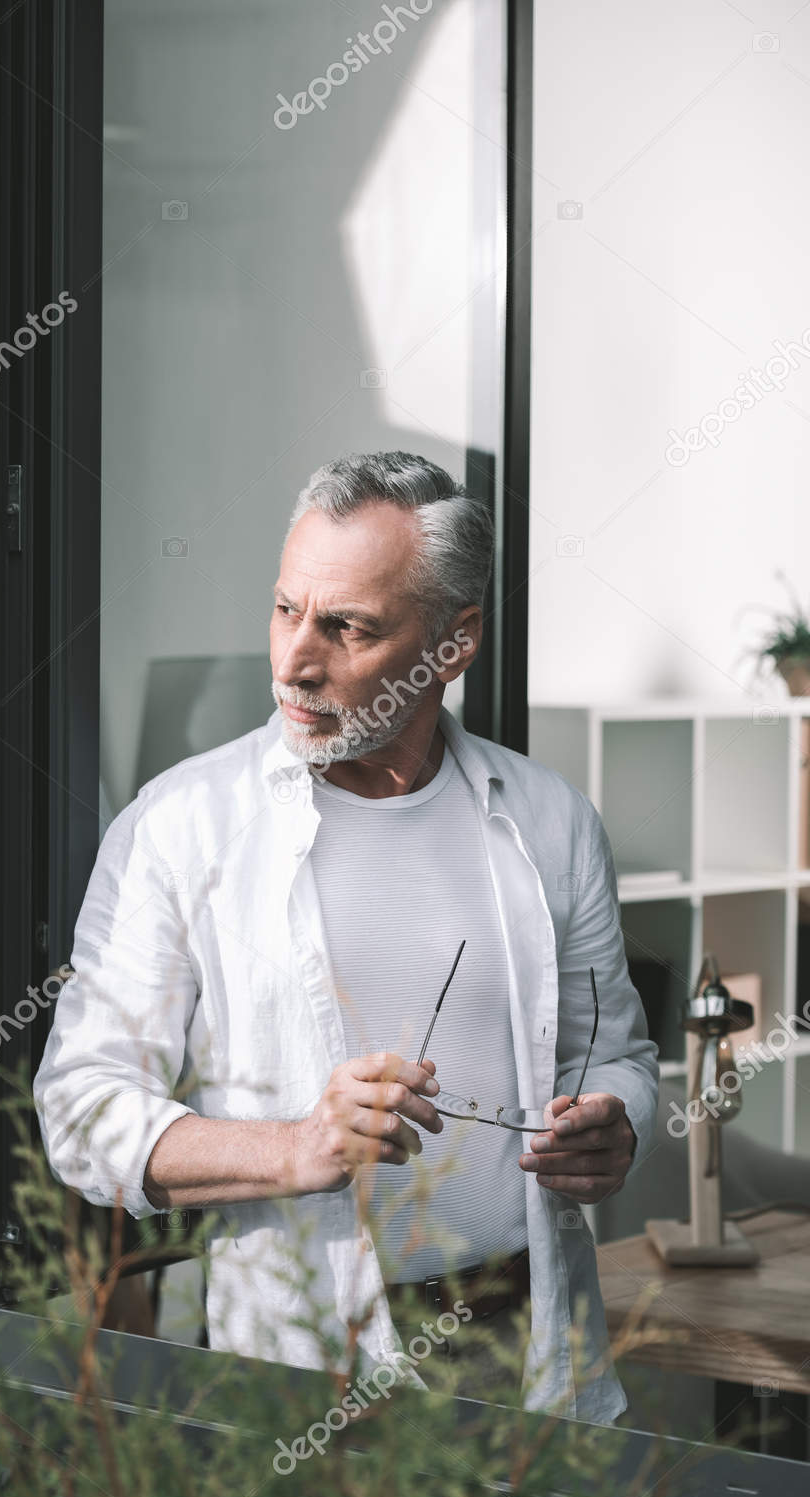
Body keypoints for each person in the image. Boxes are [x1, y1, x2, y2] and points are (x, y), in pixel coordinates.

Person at [33, 450, 659, 1424]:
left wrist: (615, 1123)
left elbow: (616, 1050)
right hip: (302, 1368)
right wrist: (296, 1146)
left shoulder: (552, 821)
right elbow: (79, 1110)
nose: (294, 658)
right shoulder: (181, 826)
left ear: (455, 641)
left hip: (534, 1349)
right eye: (286, 609)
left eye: (346, 626)